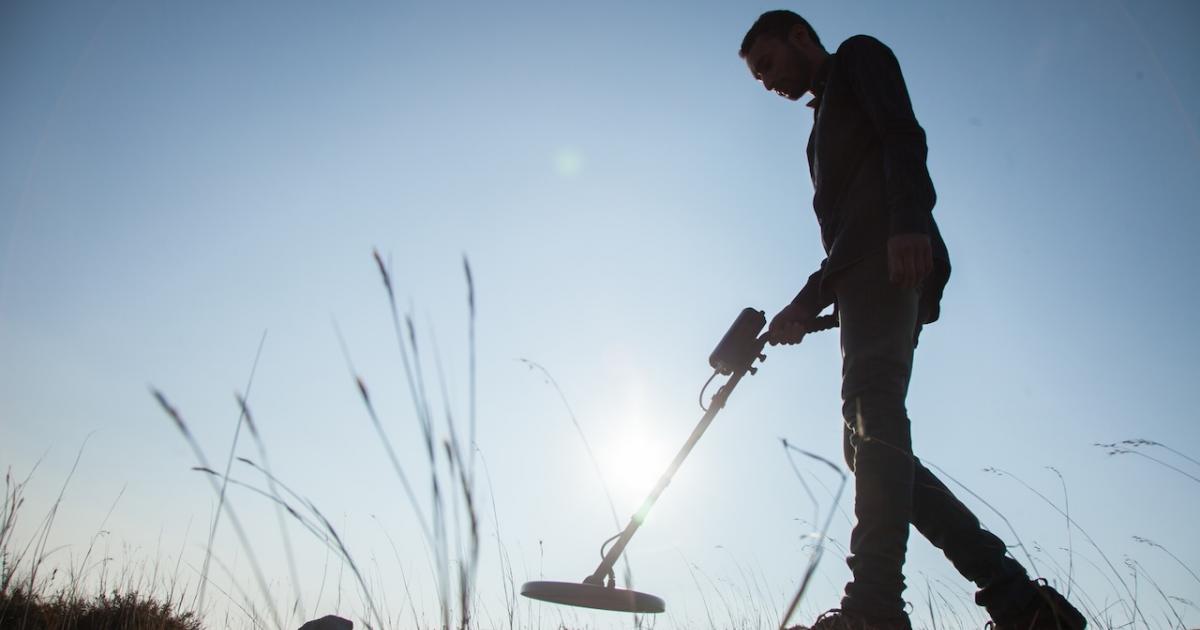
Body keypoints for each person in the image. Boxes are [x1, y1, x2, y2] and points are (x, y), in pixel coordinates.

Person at [739, 10, 1086, 630]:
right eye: (757, 76)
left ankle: (873, 606)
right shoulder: (816, 133)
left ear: (797, 36)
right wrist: (803, 305)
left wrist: (908, 223)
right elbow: (844, 236)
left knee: (873, 422)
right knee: (867, 442)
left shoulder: (858, 59)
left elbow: (903, 135)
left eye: (767, 64)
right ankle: (1019, 601)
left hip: (892, 259)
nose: (767, 81)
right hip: (862, 278)